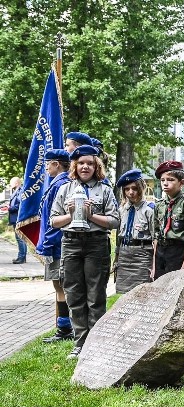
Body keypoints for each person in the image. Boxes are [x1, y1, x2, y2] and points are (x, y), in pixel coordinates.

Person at [49, 144, 120, 359]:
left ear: (96, 165)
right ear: (75, 166)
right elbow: (54, 221)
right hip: (71, 243)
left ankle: (96, 344)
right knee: (74, 294)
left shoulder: (105, 190)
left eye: (90, 163)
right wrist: (72, 215)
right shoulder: (65, 189)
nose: (85, 167)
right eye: (81, 163)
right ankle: (80, 343)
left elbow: (115, 221)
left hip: (95, 244)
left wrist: (90, 215)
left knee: (95, 294)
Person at [36, 149, 74, 342]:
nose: (46, 167)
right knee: (59, 287)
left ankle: (65, 330)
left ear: (57, 164)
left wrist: (48, 245)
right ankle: (64, 328)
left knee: (62, 287)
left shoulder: (61, 185)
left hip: (58, 245)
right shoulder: (58, 183)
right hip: (56, 244)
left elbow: (55, 220)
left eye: (47, 164)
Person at [152, 161, 184, 279]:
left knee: (176, 289)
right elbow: (156, 235)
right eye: (162, 180)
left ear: (181, 183)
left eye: (170, 180)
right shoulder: (159, 205)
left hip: (178, 251)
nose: (165, 183)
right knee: (160, 289)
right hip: (161, 251)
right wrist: (154, 266)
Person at [114, 169, 155, 294]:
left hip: (142, 255)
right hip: (125, 254)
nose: (130, 192)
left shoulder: (149, 210)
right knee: (123, 295)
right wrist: (116, 259)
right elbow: (118, 237)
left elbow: (155, 238)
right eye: (127, 189)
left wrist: (154, 264)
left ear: (141, 188)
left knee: (143, 293)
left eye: (134, 188)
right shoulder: (122, 210)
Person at [7, 177, 27, 264]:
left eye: (11, 183)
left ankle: (21, 257)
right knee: (22, 238)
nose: (10, 185)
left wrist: (10, 208)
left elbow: (20, 204)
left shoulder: (20, 191)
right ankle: (22, 257)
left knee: (20, 238)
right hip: (16, 218)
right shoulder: (17, 191)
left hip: (18, 218)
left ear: (16, 183)